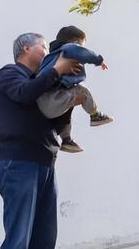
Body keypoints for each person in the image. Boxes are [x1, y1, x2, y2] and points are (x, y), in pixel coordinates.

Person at [0, 32, 82, 249]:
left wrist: (70, 99)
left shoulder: (43, 83)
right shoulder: (9, 73)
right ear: (25, 49)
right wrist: (56, 70)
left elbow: (53, 119)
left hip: (46, 164)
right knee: (18, 242)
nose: (48, 52)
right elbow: (24, 94)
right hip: (19, 163)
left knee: (44, 240)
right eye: (43, 46)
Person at [36, 25, 113, 153]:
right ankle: (95, 115)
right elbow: (82, 53)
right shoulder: (68, 48)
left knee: (67, 109)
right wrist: (98, 60)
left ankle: (66, 140)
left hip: (44, 102)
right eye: (81, 45)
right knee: (82, 91)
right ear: (74, 42)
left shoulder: (50, 58)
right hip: (52, 98)